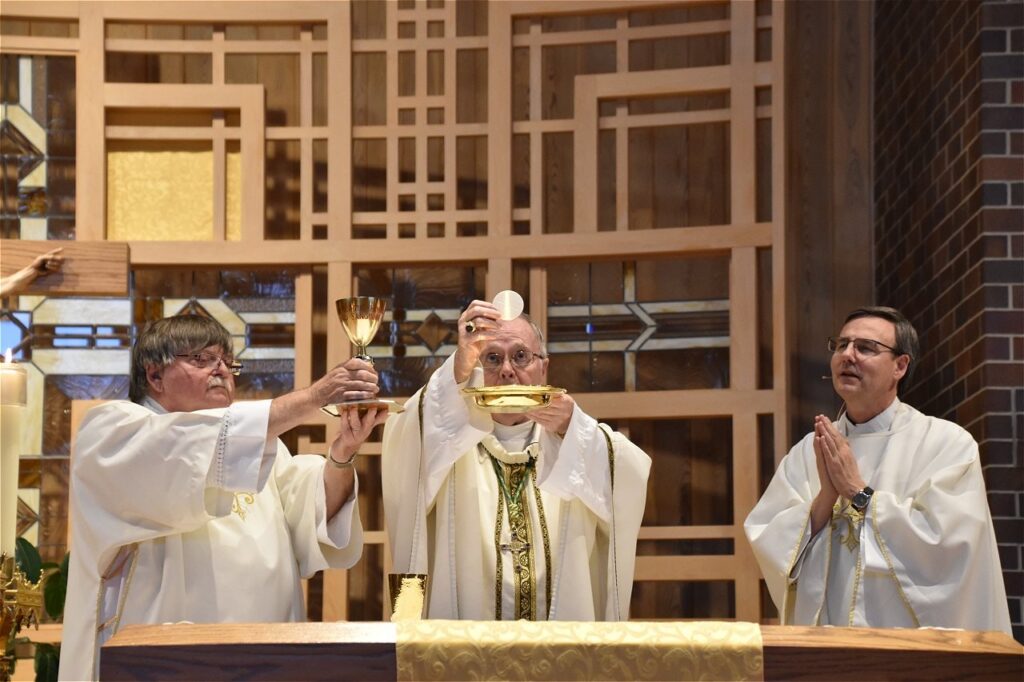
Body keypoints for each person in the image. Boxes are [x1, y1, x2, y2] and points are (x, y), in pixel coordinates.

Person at [60, 315, 387, 680]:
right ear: (154, 376)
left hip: (266, 660)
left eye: (227, 363)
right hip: (157, 666)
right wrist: (314, 398)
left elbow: (315, 520)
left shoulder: (263, 449)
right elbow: (181, 446)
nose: (221, 372)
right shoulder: (113, 431)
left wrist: (342, 455)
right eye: (201, 359)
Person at [745, 306, 1011, 634]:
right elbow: (769, 541)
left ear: (900, 366)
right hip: (823, 646)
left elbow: (951, 547)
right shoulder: (807, 450)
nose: (848, 355)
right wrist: (825, 499)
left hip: (904, 648)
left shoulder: (946, 444)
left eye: (866, 348)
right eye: (841, 345)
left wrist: (860, 494)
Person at [382, 299, 651, 621]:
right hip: (462, 653)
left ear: (543, 368)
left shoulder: (575, 444)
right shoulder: (446, 444)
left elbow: (629, 476)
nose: (507, 370)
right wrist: (458, 365)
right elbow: (405, 443)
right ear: (475, 370)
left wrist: (571, 427)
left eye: (521, 356)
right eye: (492, 359)